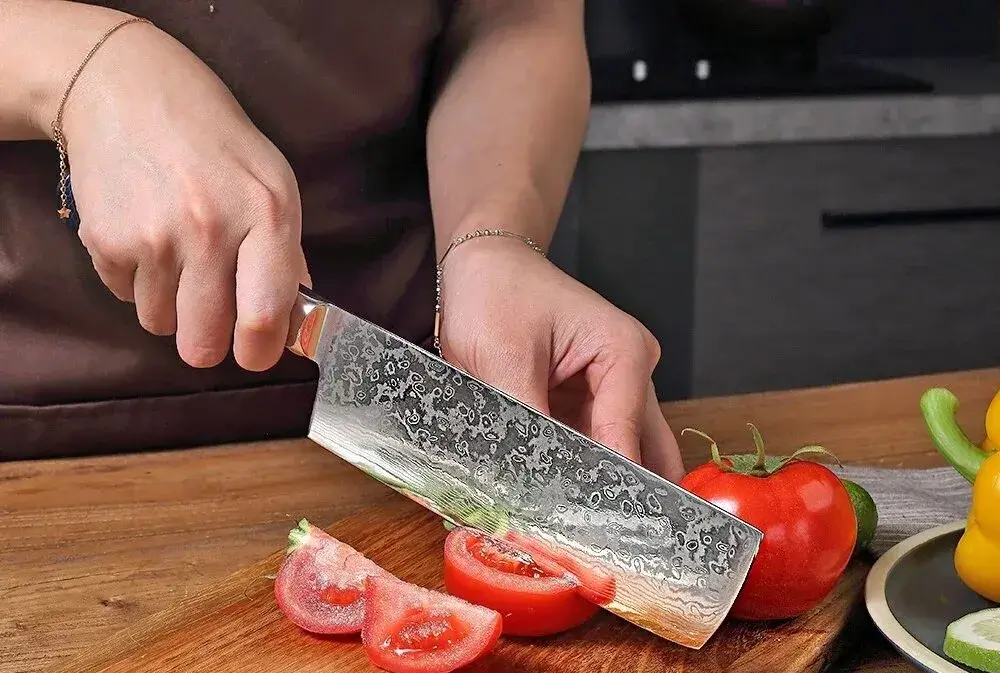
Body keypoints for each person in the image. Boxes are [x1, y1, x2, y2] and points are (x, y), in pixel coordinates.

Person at [0, 0, 683, 482]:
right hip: (32, 421)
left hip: (404, 409)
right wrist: (83, 68)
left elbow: (515, 15)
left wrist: (491, 239)